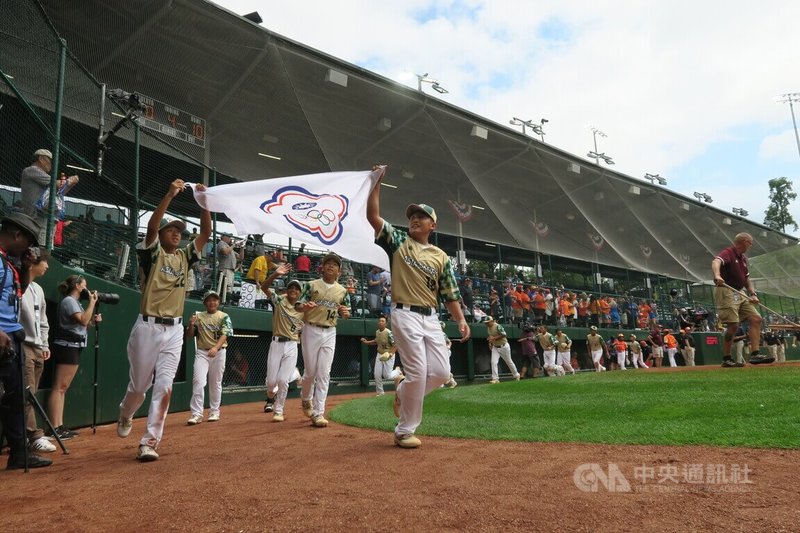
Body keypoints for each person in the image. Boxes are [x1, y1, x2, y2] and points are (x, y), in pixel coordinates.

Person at [367, 168, 469, 448]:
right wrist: (376, 184)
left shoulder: (441, 256)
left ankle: (401, 390)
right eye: (413, 216)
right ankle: (404, 431)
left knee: (440, 373)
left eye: (421, 216)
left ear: (432, 225)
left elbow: (449, 292)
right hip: (404, 313)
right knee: (418, 371)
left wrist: (460, 319)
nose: (415, 219)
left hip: (431, 317)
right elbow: (373, 218)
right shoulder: (400, 242)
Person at [117, 179, 211, 462]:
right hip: (147, 326)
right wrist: (169, 194)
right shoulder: (152, 253)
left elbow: (206, 232)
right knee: (138, 388)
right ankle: (126, 413)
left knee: (165, 386)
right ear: (163, 232)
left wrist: (204, 203)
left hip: (174, 329)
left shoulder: (184, 256)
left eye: (179, 232)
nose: (177, 235)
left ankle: (149, 441)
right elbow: (150, 228)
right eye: (172, 230)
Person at [0, 212, 52, 469]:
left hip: (12, 339)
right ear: (16, 234)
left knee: (18, 398)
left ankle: (19, 453)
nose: (29, 247)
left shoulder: (8, 262)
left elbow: (19, 291)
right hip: (2, 337)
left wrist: (24, 265)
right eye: (28, 241)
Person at [295, 253, 351, 427]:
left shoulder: (343, 291)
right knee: (310, 373)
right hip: (311, 328)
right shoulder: (311, 285)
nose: (331, 266)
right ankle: (306, 398)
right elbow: (297, 305)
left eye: (335, 264)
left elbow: (347, 313)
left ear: (339, 271)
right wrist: (304, 306)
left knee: (324, 373)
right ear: (322, 267)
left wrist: (346, 313)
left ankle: (319, 413)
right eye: (328, 263)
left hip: (330, 331)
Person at [48, 274, 101, 440]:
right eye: (84, 285)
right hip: (67, 346)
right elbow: (83, 321)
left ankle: (59, 425)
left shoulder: (74, 302)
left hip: (73, 345)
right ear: (77, 285)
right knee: (59, 387)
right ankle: (54, 428)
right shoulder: (69, 301)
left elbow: (83, 324)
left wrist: (94, 321)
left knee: (63, 388)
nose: (86, 288)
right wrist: (92, 303)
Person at [711, 232, 767, 367]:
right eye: (750, 242)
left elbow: (746, 278)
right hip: (726, 290)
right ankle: (727, 358)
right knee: (733, 325)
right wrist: (717, 275)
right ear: (744, 241)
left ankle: (755, 355)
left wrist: (753, 293)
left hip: (740, 292)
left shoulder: (743, 259)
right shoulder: (729, 252)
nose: (751, 245)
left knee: (756, 318)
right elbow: (716, 261)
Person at [19, 247, 55, 453]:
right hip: (21, 344)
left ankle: (26, 434)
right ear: (33, 263)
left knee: (31, 392)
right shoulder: (18, 285)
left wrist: (44, 344)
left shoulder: (39, 290)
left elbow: (43, 321)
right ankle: (34, 435)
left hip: (37, 347)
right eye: (44, 261)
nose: (47, 266)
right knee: (27, 392)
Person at [260, 264, 304, 421]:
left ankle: (279, 410)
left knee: (283, 381)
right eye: (291, 287)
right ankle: (294, 373)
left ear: (300, 293)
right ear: (287, 289)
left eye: (297, 288)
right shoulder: (279, 301)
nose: (293, 290)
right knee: (271, 383)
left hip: (292, 344)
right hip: (276, 343)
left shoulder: (303, 311)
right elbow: (264, 287)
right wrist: (275, 274)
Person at [186, 290, 232, 425]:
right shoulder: (198, 316)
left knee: (215, 383)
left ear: (218, 302)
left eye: (215, 300)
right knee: (198, 381)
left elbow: (226, 334)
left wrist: (216, 347)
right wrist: (191, 324)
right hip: (202, 352)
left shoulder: (224, 316)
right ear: (205, 302)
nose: (212, 302)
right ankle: (196, 414)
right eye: (209, 300)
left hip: (219, 352)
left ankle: (214, 411)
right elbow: (190, 335)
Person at [360, 316, 402, 396]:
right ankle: (381, 393)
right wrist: (367, 342)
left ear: (386, 324)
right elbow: (376, 341)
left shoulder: (389, 333)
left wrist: (391, 354)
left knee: (387, 376)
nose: (380, 322)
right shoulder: (377, 332)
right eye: (379, 320)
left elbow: (395, 345)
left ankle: (398, 371)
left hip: (388, 355)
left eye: (382, 321)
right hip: (379, 354)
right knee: (377, 374)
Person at [20, 149, 53, 239]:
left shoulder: (33, 172)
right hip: (35, 220)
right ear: (41, 159)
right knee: (39, 250)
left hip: (37, 220)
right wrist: (69, 181)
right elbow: (56, 184)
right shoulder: (32, 170)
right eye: (49, 161)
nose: (51, 164)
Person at [486, 315, 520, 383]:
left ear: (492, 321)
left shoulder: (497, 326)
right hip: (495, 347)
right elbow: (490, 337)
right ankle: (495, 379)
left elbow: (504, 334)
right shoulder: (488, 328)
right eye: (486, 322)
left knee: (508, 361)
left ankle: (516, 375)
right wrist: (490, 343)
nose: (486, 324)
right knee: (493, 362)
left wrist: (494, 338)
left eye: (488, 322)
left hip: (504, 346)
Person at [216, 234, 243, 305]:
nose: (230, 238)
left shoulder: (230, 248)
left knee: (229, 289)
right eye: (228, 236)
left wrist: (242, 247)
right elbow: (225, 252)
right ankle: (221, 303)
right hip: (225, 269)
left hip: (231, 271)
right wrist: (234, 245)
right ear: (223, 237)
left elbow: (240, 257)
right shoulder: (221, 243)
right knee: (224, 288)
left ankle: (226, 303)